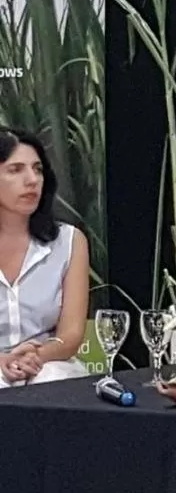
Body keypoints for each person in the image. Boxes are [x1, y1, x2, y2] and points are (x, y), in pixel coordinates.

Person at [0, 128, 90, 388]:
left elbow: (70, 336)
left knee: (52, 379)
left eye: (37, 169)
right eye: (16, 170)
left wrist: (36, 356)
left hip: (49, 362)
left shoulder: (69, 241)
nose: (32, 180)